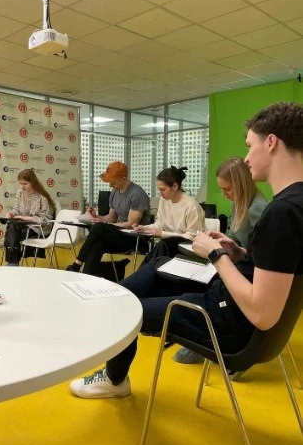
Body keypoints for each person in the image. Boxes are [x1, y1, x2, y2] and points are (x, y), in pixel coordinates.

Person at [69, 100, 303, 399]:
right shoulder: (293, 205)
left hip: (228, 324)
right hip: (228, 307)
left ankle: (114, 377)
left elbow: (263, 313)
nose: (246, 158)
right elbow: (278, 270)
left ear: (271, 142)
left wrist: (216, 255)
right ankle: (111, 298)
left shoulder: (281, 212)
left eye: (249, 146)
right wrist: (238, 254)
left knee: (125, 311)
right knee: (158, 267)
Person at [174, 156, 269, 364]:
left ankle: (204, 338)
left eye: (227, 189)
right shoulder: (240, 204)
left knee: (203, 286)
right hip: (238, 263)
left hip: (249, 274)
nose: (225, 194)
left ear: (241, 185)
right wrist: (224, 241)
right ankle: (201, 333)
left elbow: (261, 255)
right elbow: (238, 239)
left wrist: (230, 251)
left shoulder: (258, 209)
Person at [66, 161, 150, 276]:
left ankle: (76, 265)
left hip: (135, 237)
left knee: (99, 228)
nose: (110, 185)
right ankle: (86, 278)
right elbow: (111, 218)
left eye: (113, 182)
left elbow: (131, 224)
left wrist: (105, 225)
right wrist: (97, 216)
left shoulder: (137, 194)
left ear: (124, 178)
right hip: (120, 234)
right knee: (97, 245)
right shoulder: (115, 192)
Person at [133, 166, 205, 261]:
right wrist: (145, 228)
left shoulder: (191, 206)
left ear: (175, 186)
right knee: (159, 251)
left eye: (163, 189)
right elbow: (160, 224)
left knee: (161, 249)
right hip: (168, 247)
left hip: (186, 250)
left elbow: (192, 237)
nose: (160, 193)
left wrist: (163, 234)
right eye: (159, 190)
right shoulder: (164, 200)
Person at [3, 169, 55, 266]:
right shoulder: (20, 193)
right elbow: (17, 209)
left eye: (25, 184)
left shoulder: (42, 197)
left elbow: (46, 220)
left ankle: (12, 262)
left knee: (11, 231)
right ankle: (13, 262)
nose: (22, 186)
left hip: (38, 228)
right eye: (20, 184)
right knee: (12, 226)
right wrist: (11, 213)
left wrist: (26, 218)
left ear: (33, 183)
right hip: (23, 226)